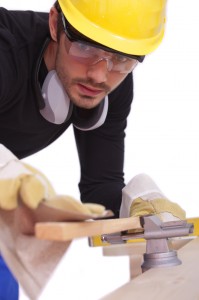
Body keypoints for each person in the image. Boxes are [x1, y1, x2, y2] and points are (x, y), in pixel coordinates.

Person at [0, 0, 185, 299]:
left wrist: (137, 203)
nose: (100, 76)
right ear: (54, 24)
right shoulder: (6, 52)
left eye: (123, 58)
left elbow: (100, 191)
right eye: (85, 48)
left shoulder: (114, 84)